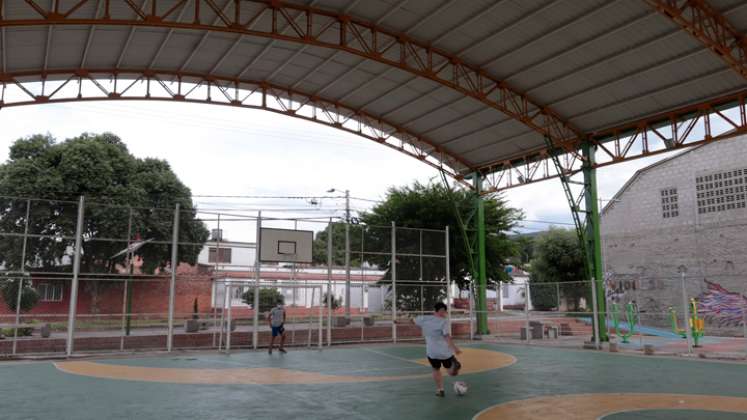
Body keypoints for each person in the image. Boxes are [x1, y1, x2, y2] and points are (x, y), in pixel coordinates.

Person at [413, 302, 462, 397]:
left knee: (435, 369)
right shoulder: (444, 321)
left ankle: (440, 390)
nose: (445, 313)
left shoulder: (424, 319)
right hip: (445, 352)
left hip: (432, 352)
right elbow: (447, 336)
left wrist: (397, 321)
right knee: (450, 369)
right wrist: (455, 348)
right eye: (445, 311)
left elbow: (412, 321)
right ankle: (452, 370)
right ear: (441, 310)